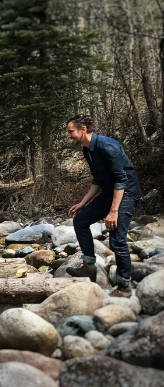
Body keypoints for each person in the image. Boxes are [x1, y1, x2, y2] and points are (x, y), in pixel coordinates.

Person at [66, 115, 142, 297]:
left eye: (71, 131)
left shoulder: (108, 146)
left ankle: (124, 286)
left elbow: (121, 179)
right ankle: (89, 266)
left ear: (83, 129)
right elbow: (98, 180)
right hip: (110, 191)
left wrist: (113, 211)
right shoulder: (87, 150)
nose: (69, 136)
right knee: (80, 220)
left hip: (127, 192)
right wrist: (82, 203)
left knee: (117, 239)